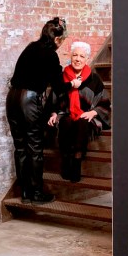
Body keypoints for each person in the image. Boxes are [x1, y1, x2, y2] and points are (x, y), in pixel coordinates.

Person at [6, 17, 79, 203]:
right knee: (35, 147)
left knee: (20, 147)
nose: (61, 45)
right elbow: (58, 86)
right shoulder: (50, 54)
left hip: (12, 98)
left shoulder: (31, 47)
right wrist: (72, 84)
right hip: (28, 100)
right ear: (57, 39)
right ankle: (37, 193)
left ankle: (25, 193)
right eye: (62, 41)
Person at [48, 41, 110, 182]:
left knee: (82, 122)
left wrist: (93, 112)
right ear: (70, 57)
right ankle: (66, 159)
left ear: (86, 59)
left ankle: (76, 161)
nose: (77, 59)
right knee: (67, 121)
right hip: (65, 114)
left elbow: (105, 103)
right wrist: (53, 113)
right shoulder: (61, 78)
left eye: (81, 56)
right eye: (75, 55)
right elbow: (53, 100)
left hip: (87, 116)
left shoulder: (94, 79)